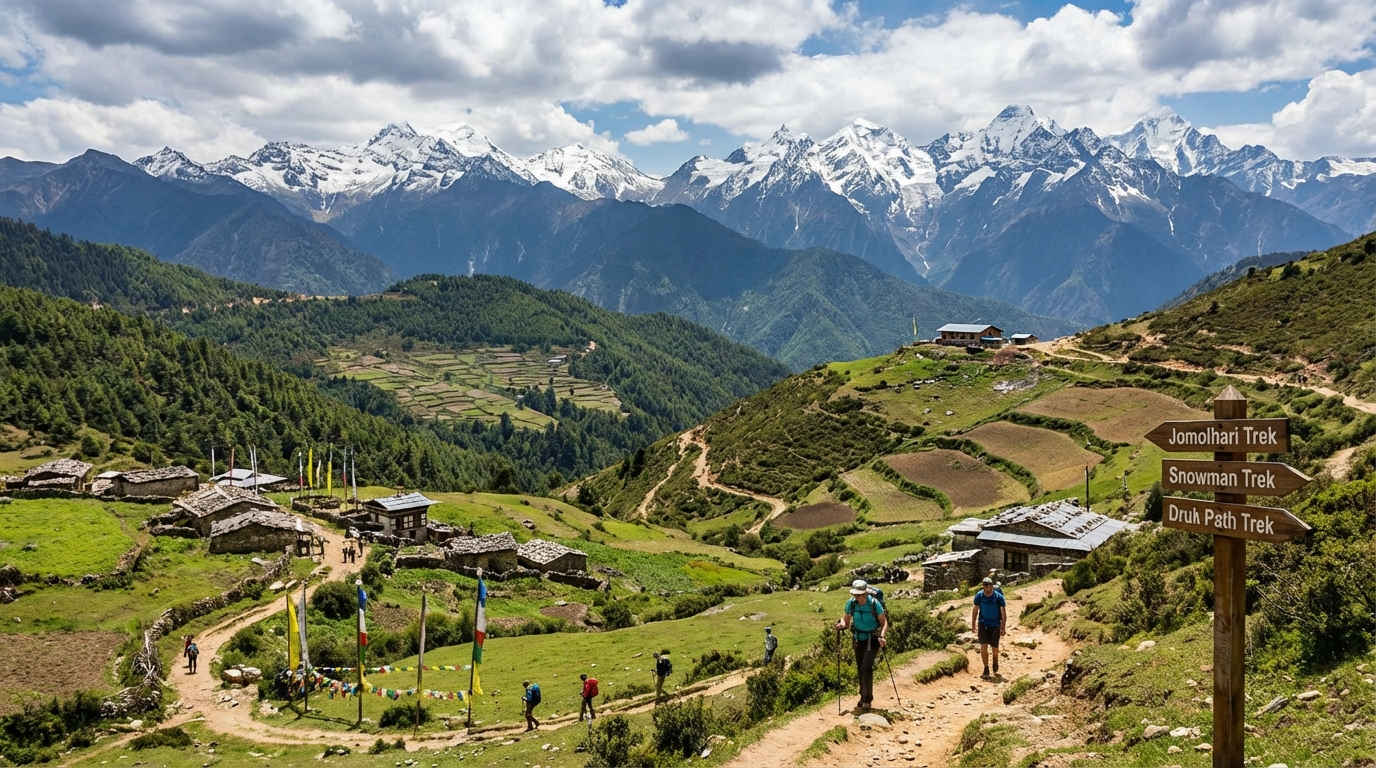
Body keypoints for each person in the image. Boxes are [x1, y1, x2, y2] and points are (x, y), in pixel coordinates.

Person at [836, 579, 887, 713]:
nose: (856, 597)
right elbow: (846, 620)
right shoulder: (852, 603)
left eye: (858, 595)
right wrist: (842, 624)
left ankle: (867, 701)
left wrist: (882, 636)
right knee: (860, 669)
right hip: (858, 639)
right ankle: (863, 696)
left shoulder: (874, 604)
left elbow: (884, 622)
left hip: (873, 639)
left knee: (866, 668)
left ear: (865, 593)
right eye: (855, 594)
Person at [972, 576, 1007, 679]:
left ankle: (995, 662)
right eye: (985, 586)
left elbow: (1003, 611)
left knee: (995, 648)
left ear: (992, 586)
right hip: (983, 624)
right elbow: (975, 609)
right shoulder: (979, 596)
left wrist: (1003, 626)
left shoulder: (998, 597)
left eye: (989, 586)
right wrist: (973, 625)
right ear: (983, 586)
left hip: (995, 625)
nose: (987, 588)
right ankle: (986, 668)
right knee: (983, 646)